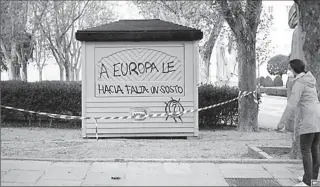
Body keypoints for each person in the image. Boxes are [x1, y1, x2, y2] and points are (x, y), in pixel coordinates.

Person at [277, 59, 320, 186]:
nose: (288, 71)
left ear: (294, 70)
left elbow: (291, 104)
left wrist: (281, 122)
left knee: (306, 150)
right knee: (315, 149)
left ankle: (307, 182)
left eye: (289, 69)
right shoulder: (310, 80)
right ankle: (313, 180)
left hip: (308, 118)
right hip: (317, 116)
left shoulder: (299, 83)